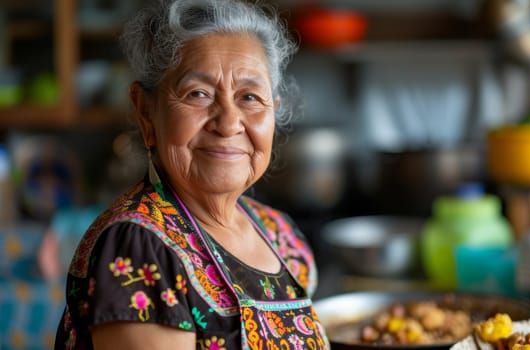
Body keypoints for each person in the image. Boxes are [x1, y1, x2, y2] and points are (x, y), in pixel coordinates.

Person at [54, 0, 329, 348]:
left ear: (273, 113)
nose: (229, 123)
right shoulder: (140, 248)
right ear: (146, 113)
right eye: (198, 94)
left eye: (249, 97)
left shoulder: (280, 236)